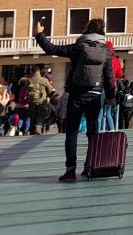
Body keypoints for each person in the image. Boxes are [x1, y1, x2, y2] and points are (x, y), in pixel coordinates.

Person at [35, 18, 116, 182]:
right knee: (93, 134)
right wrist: (111, 97)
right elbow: (109, 77)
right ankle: (89, 167)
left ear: (87, 29)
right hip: (95, 96)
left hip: (77, 95)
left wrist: (39, 34)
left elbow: (51, 48)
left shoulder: (79, 47)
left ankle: (70, 171)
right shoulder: (106, 50)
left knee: (71, 134)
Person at [27, 65, 52, 135]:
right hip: (42, 101)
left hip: (31, 101)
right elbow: (50, 90)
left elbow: (26, 89)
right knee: (40, 115)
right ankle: (38, 127)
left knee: (32, 116)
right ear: (39, 72)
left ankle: (32, 130)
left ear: (32, 72)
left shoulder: (28, 80)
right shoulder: (44, 80)